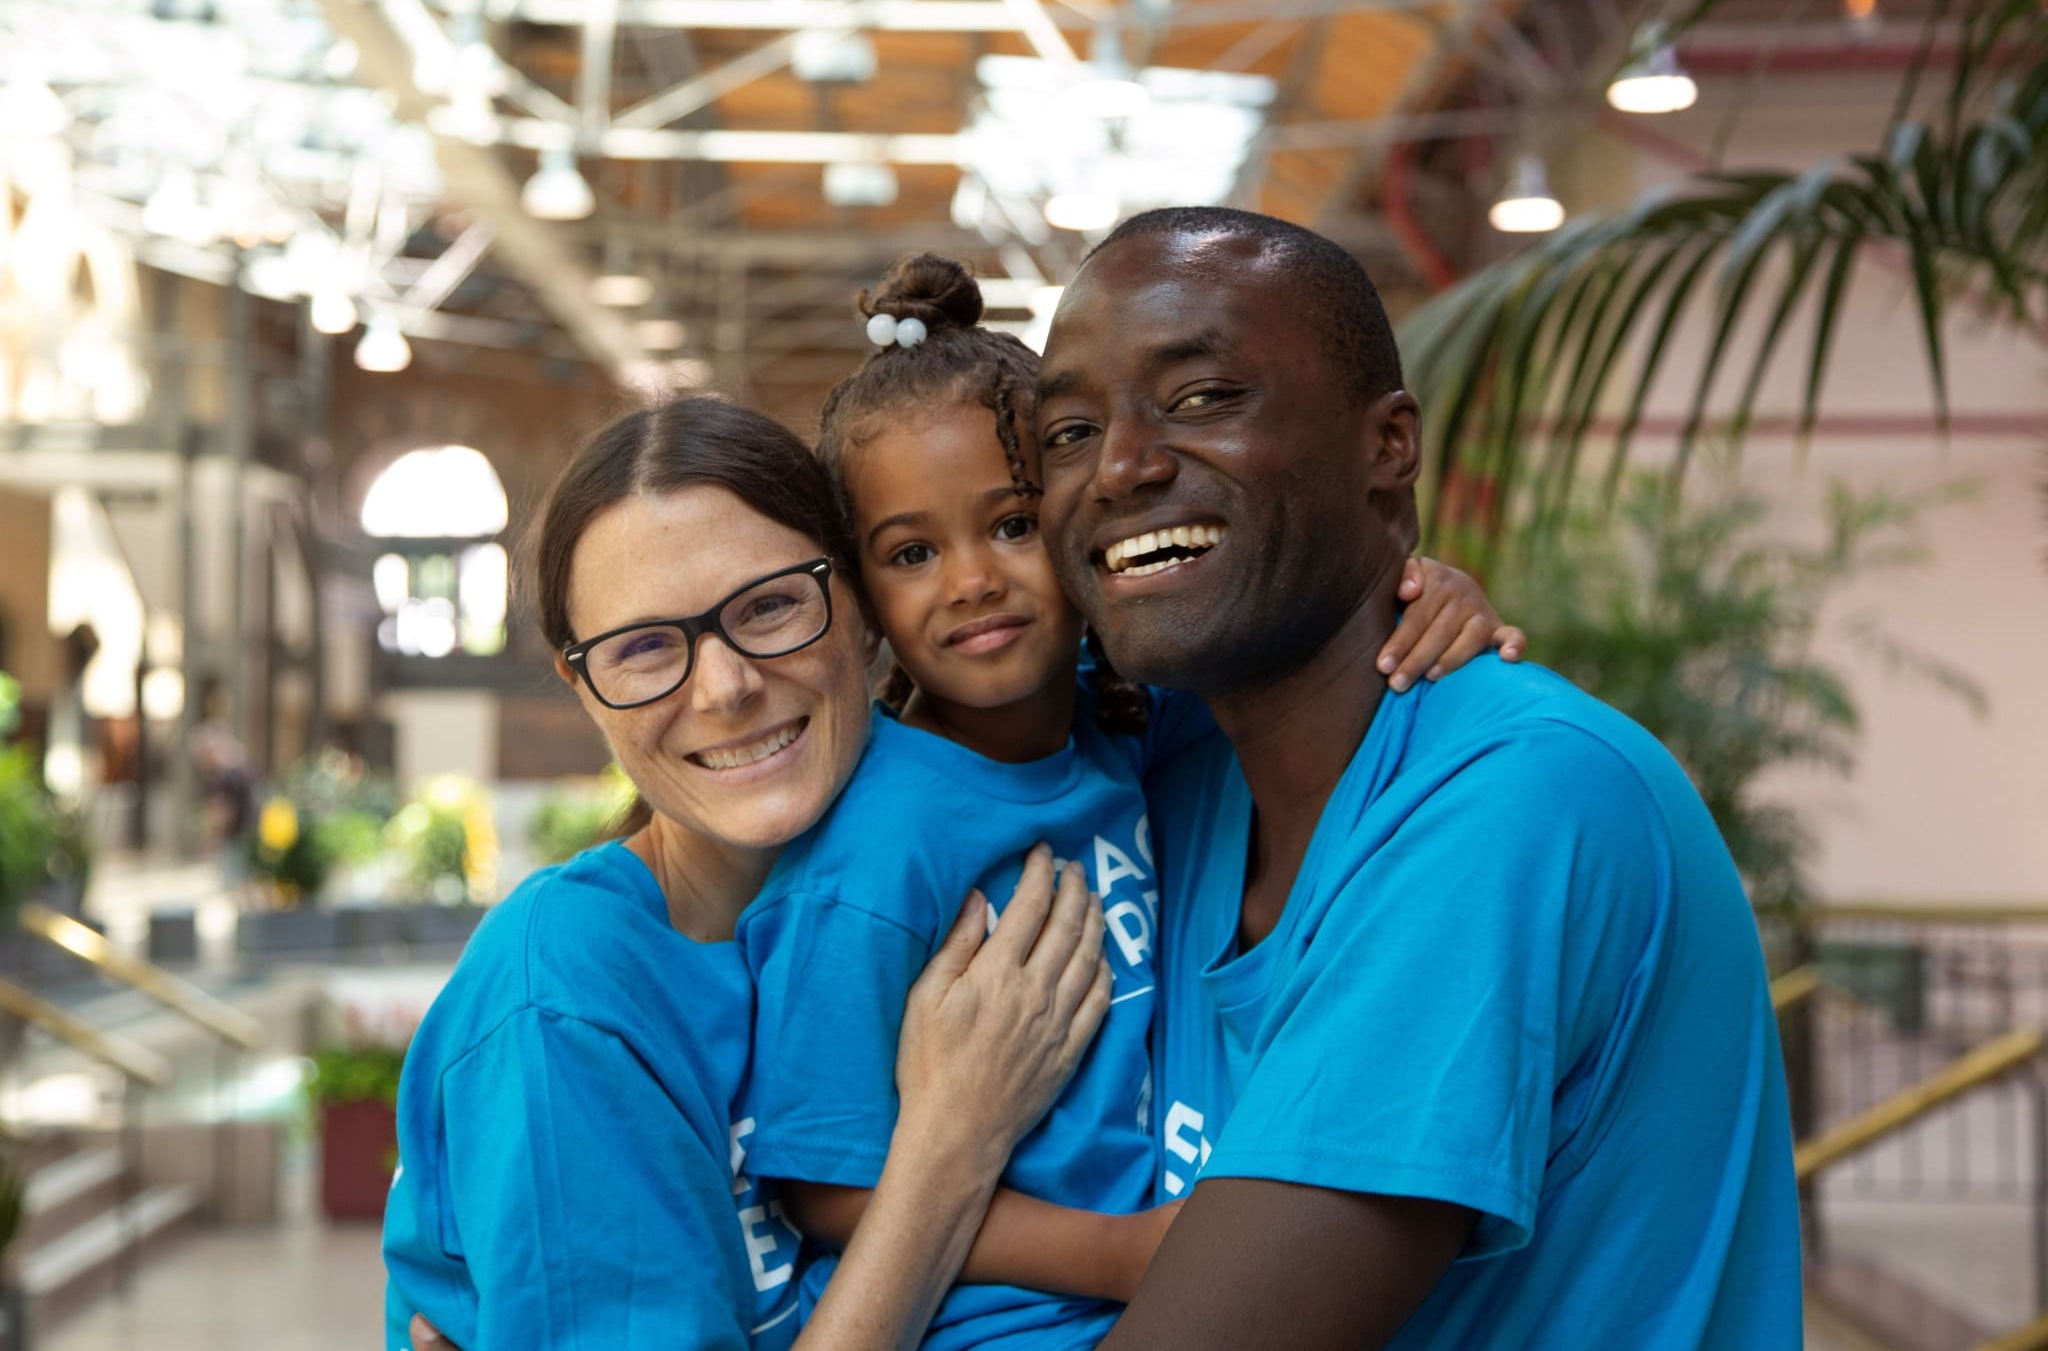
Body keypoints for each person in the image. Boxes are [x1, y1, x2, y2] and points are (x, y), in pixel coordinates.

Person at [1028, 207, 1802, 1348]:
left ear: (1386, 446)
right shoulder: (1183, 777)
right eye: (1068, 431)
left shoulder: (1513, 801)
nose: (1120, 466)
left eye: (1201, 399)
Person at [734, 254, 1525, 1350]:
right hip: (992, 1327)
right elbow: (824, 1188)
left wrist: (1421, 584)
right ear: (865, 605)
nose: (970, 580)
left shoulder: (1142, 733)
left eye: (1010, 524)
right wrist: (1121, 1252)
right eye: (912, 552)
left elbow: (1309, 662)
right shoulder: (875, 849)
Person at [382, 398, 1116, 1351]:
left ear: (861, 611)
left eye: (770, 605)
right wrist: (951, 1143)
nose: (724, 686)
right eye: (644, 648)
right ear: (584, 691)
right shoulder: (563, 1001)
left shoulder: (993, 814)